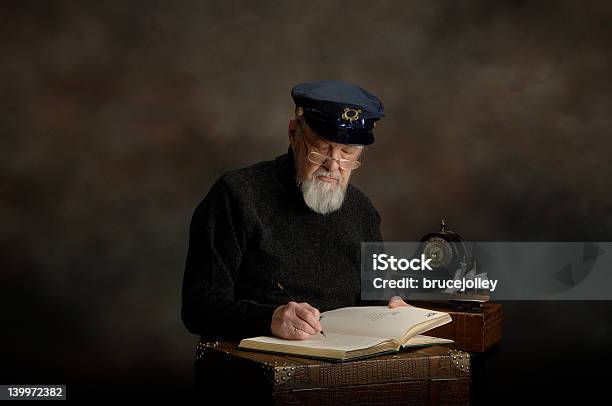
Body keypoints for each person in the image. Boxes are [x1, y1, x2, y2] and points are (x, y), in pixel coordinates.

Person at [181, 80, 409, 342]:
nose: (333, 165)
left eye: (347, 153)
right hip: (254, 371)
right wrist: (268, 319)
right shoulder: (236, 195)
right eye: (322, 147)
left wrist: (392, 314)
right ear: (293, 133)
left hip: (348, 372)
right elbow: (198, 308)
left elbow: (376, 304)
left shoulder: (363, 211)